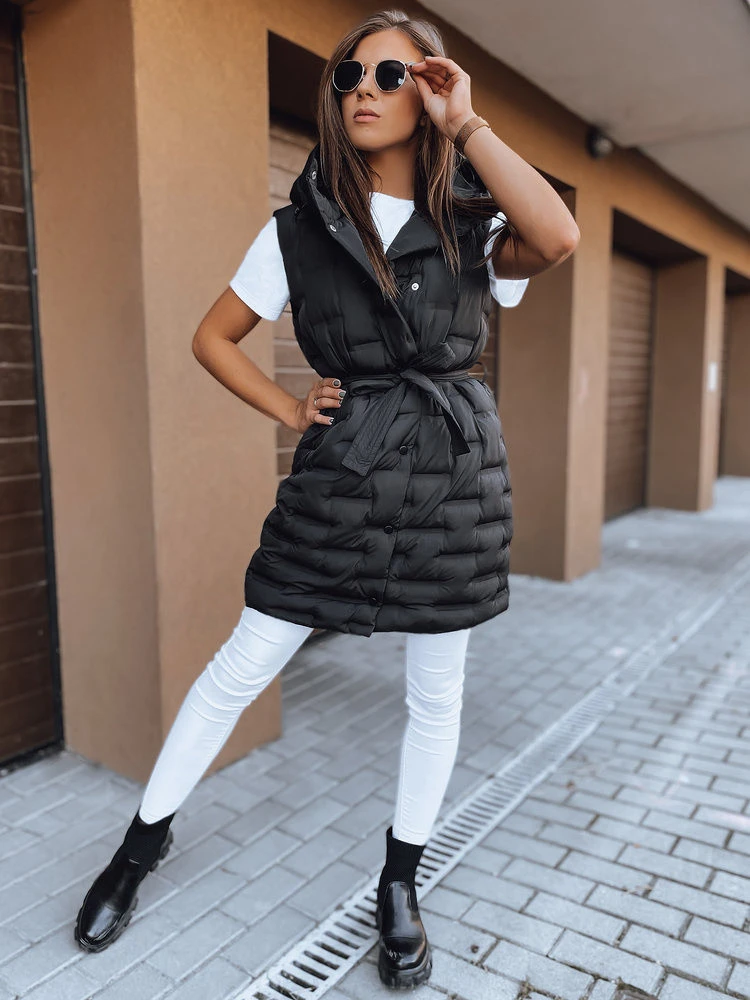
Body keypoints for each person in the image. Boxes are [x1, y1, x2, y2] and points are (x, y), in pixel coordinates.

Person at [73, 8, 579, 989]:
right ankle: (139, 848)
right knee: (240, 666)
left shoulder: (475, 223)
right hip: (342, 475)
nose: (363, 90)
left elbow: (558, 235)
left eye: (392, 75)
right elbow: (212, 337)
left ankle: (401, 882)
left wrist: (468, 124)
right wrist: (289, 404)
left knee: (436, 695)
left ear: (429, 88)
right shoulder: (297, 231)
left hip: (452, 481)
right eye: (350, 74)